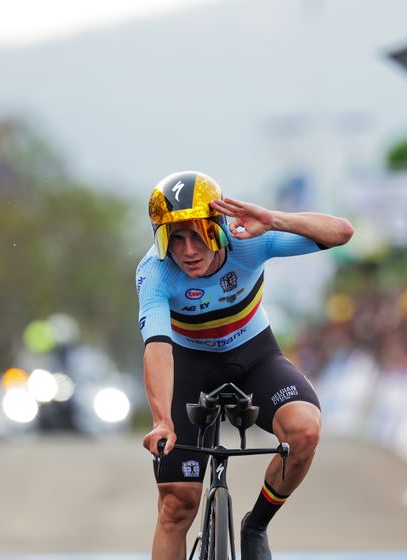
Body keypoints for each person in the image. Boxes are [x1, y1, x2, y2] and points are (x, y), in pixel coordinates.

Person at [136, 171, 353, 560]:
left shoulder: (249, 240)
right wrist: (161, 421)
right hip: (188, 364)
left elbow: (341, 232)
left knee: (304, 431)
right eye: (175, 237)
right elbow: (157, 347)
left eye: (198, 233)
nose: (187, 250)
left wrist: (274, 219)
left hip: (253, 355)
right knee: (176, 506)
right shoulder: (154, 272)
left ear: (219, 226)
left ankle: (256, 525)